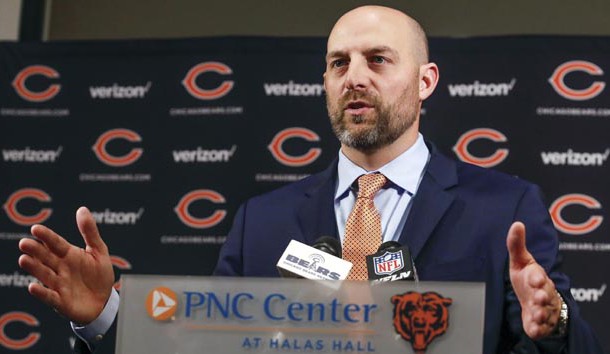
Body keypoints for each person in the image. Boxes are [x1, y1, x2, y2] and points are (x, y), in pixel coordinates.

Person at [17, 5, 603, 354]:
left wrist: (554, 324)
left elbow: (571, 343)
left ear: (425, 82)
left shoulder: (503, 208)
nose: (354, 77)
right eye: (338, 63)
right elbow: (204, 346)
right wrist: (106, 316)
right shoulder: (263, 221)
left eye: (378, 60)